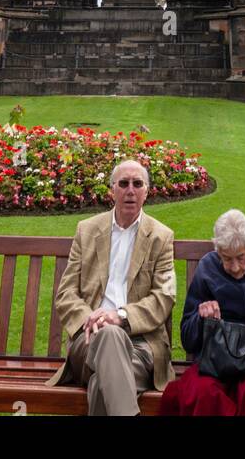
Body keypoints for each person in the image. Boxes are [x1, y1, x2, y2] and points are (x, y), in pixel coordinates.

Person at [47, 159, 176, 415]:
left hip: (141, 344)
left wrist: (119, 316)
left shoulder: (161, 236)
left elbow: (164, 296)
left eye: (137, 184)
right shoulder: (87, 230)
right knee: (108, 335)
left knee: (100, 384)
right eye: (124, 183)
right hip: (89, 339)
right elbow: (66, 293)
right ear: (112, 189)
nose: (130, 190)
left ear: (147, 191)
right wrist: (92, 319)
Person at [159, 210, 245, 416]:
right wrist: (200, 317)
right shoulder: (207, 267)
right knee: (203, 392)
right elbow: (187, 340)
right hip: (213, 361)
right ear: (217, 251)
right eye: (226, 259)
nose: (235, 267)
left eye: (241, 258)